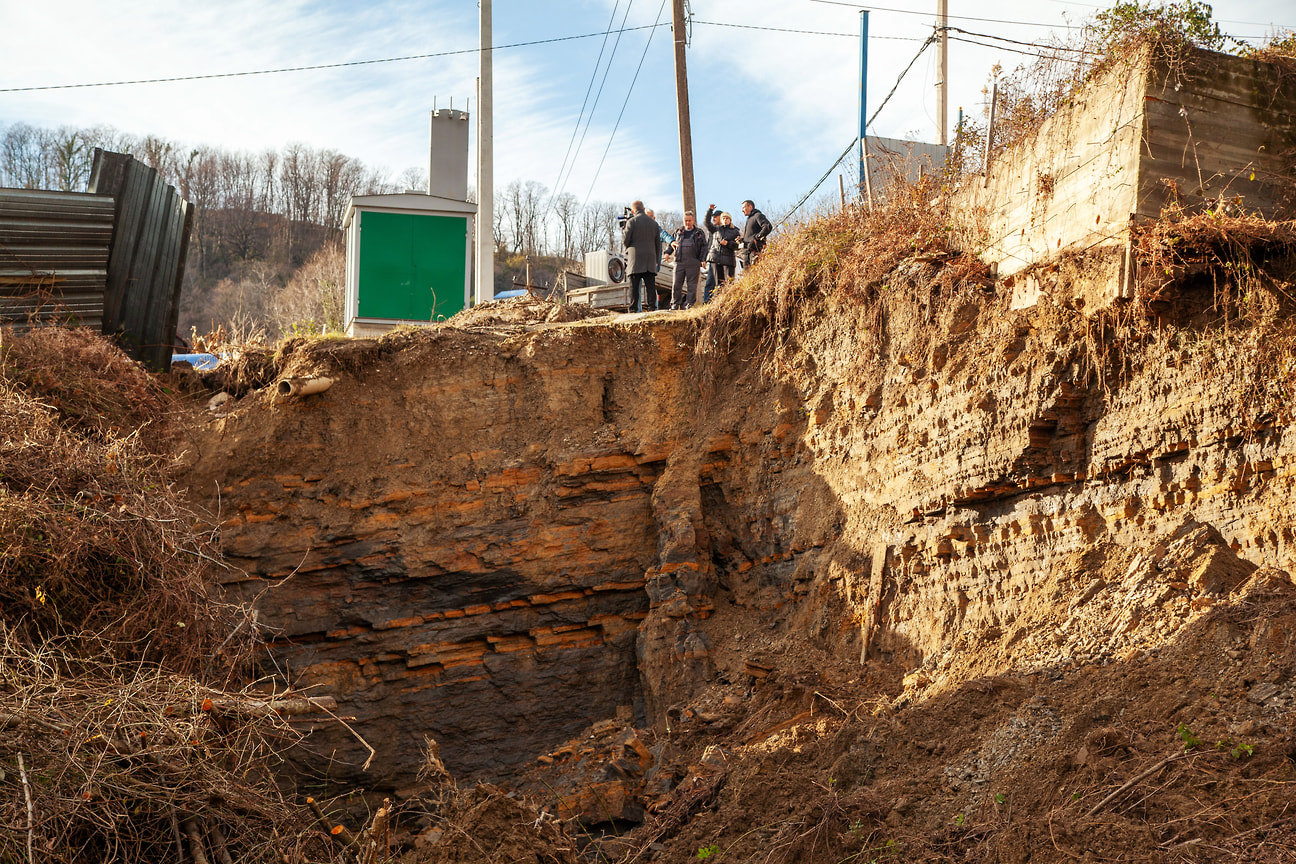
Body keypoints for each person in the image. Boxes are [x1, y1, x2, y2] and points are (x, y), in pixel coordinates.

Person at [621, 201, 662, 312]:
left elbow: (625, 241)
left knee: (634, 287)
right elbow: (658, 243)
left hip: (635, 260)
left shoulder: (631, 222)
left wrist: (624, 231)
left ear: (633, 211)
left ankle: (633, 309)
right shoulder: (654, 224)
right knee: (650, 286)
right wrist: (656, 258)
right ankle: (652, 308)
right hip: (650, 259)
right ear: (644, 208)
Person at [669, 211, 707, 310]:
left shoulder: (699, 233)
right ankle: (675, 304)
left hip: (693, 261)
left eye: (689, 221)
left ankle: (689, 304)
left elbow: (704, 247)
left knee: (692, 285)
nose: (687, 223)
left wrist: (703, 259)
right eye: (686, 221)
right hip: (679, 261)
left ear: (693, 220)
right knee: (676, 284)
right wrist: (667, 253)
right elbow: (671, 243)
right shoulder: (678, 232)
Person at [703, 204, 739, 300]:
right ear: (721, 220)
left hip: (728, 260)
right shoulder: (716, 229)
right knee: (716, 283)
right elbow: (706, 223)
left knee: (728, 283)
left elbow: (737, 246)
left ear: (730, 220)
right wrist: (709, 211)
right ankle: (714, 302)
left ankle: (728, 301)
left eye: (727, 218)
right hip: (716, 259)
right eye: (724, 218)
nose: (725, 220)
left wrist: (727, 243)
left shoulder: (735, 231)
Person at [738, 199, 773, 270]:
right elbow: (751, 235)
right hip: (746, 253)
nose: (742, 210)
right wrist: (741, 240)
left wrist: (757, 238)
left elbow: (767, 226)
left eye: (743, 208)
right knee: (748, 276)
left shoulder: (757, 215)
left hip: (755, 251)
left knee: (756, 271)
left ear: (750, 207)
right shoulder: (749, 220)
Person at [701, 208, 723, 302]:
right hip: (713, 258)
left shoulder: (728, 229)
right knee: (710, 282)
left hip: (725, 260)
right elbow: (708, 245)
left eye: (715, 217)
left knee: (722, 283)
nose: (713, 219)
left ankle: (720, 302)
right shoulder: (712, 230)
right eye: (712, 217)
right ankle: (707, 302)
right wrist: (705, 258)